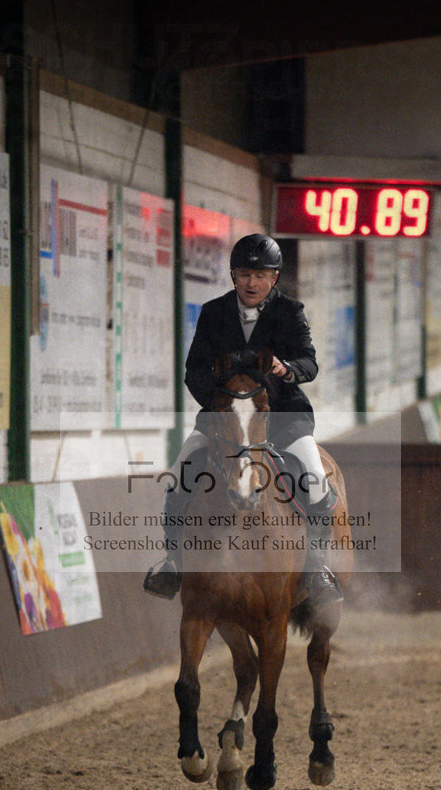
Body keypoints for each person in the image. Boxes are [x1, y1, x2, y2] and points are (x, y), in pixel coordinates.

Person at [143, 233, 343, 606]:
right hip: (226, 421)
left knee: (314, 479)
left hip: (283, 418)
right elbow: (194, 371)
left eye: (260, 275)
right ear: (234, 276)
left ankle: (315, 569)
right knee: (178, 477)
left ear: (274, 278)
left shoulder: (290, 312)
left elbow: (310, 363)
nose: (252, 282)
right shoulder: (214, 312)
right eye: (245, 274)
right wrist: (224, 407)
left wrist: (287, 369)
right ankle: (172, 562)